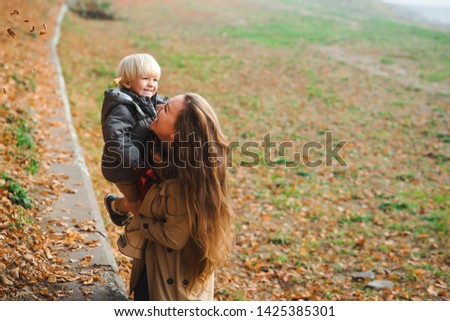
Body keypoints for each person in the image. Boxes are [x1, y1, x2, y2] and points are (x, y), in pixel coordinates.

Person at [125, 93, 234, 300]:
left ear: (176, 134)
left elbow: (173, 237)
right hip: (158, 271)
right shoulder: (167, 159)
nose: (157, 108)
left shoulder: (182, 184)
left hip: (171, 291)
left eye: (165, 109)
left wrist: (139, 216)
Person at [101, 53, 168, 259]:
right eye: (145, 79)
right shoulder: (122, 106)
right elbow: (116, 137)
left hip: (140, 165)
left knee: (148, 201)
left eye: (155, 80)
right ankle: (133, 231)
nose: (151, 84)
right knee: (138, 204)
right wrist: (138, 162)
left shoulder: (149, 100)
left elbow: (166, 105)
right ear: (128, 82)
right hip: (124, 169)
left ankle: (126, 212)